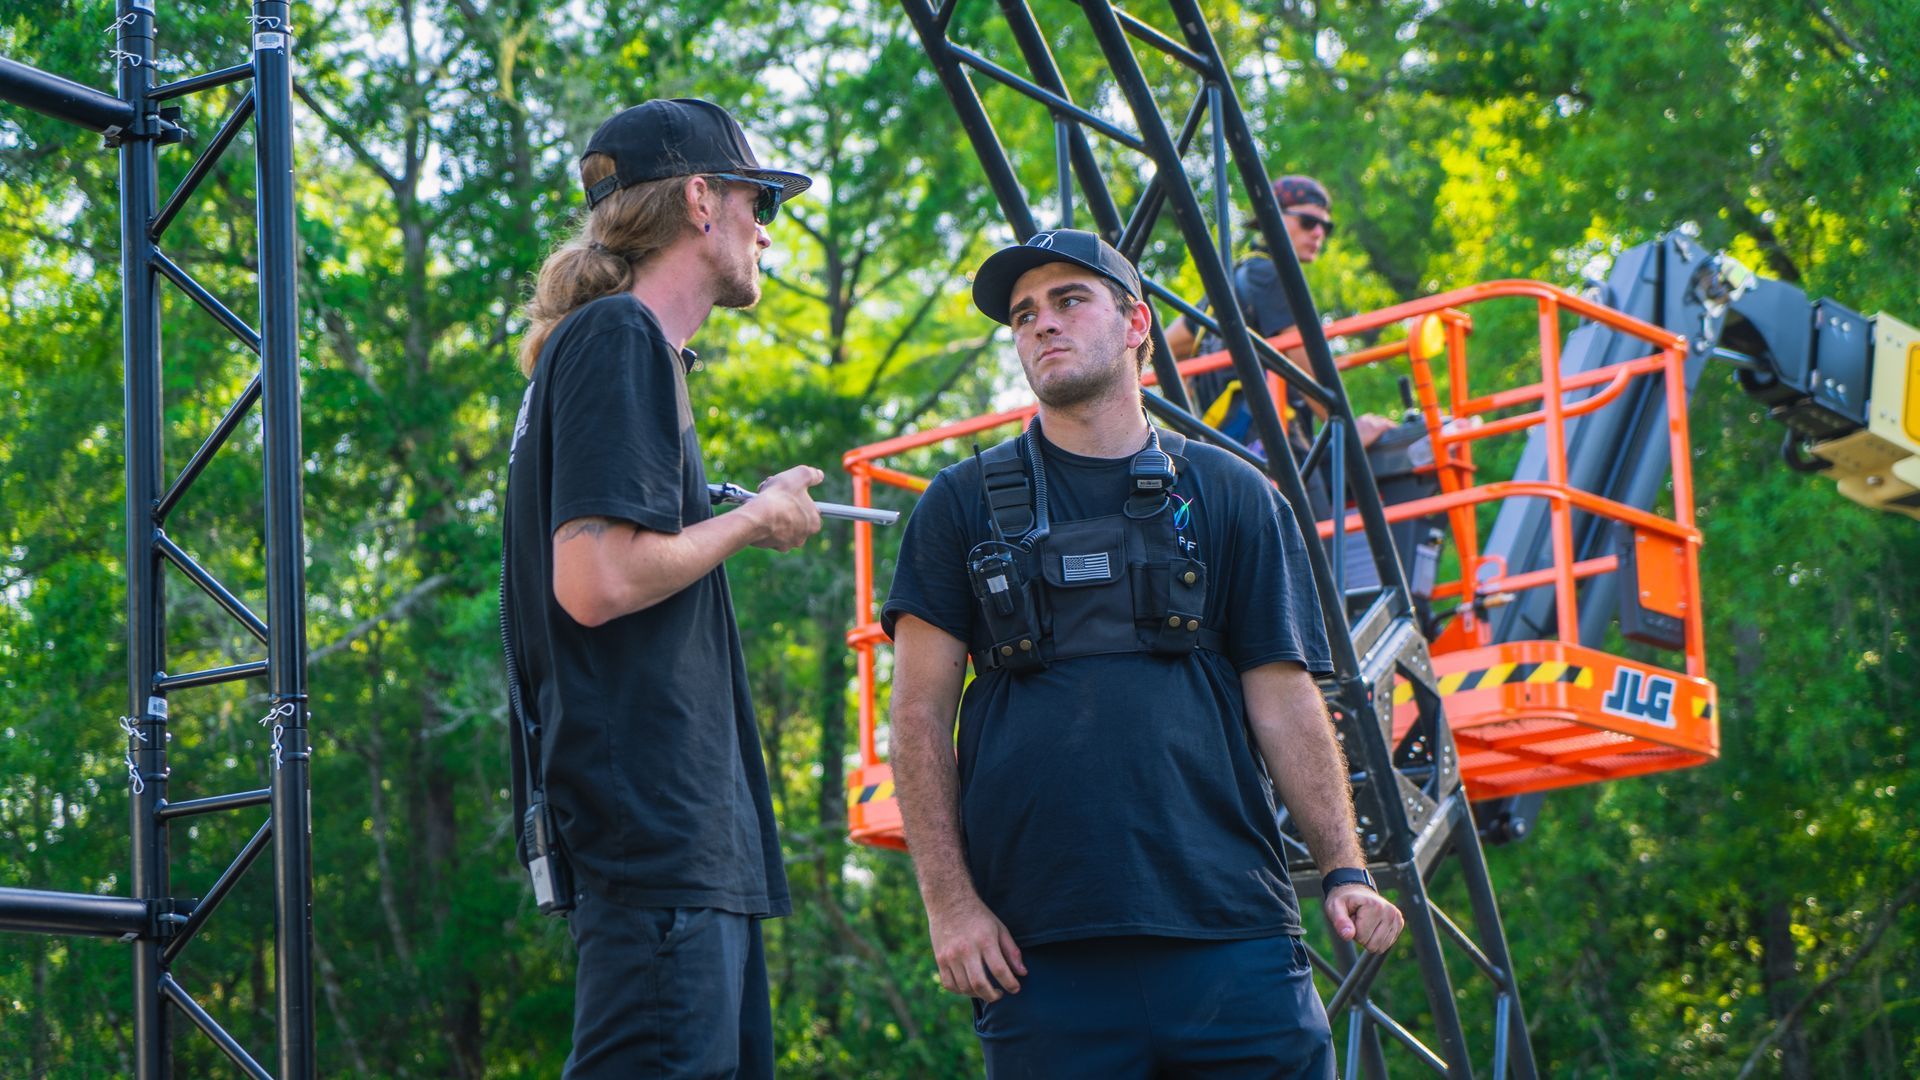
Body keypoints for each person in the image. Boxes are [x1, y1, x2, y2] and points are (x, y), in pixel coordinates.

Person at [884, 229, 1405, 1078]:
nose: (1042, 324)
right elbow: (916, 717)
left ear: (1136, 324)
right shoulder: (958, 504)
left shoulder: (1234, 495)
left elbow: (1285, 699)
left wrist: (1345, 868)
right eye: (1023, 315)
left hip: (1234, 942)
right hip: (1036, 955)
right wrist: (950, 907)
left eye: (1068, 300)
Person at [502, 98, 822, 1079]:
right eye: (760, 201)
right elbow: (596, 581)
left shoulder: (621, 349)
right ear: (701, 198)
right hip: (655, 836)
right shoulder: (617, 337)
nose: (766, 228)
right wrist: (757, 520)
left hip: (678, 844)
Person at [1165, 175, 1393, 460]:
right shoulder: (1271, 275)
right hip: (1270, 437)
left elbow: (1165, 346)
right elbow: (1302, 362)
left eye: (1325, 226)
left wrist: (1192, 409)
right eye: (1308, 222)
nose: (1318, 233)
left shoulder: (1231, 281)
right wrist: (1347, 429)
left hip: (1227, 442)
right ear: (1273, 218)